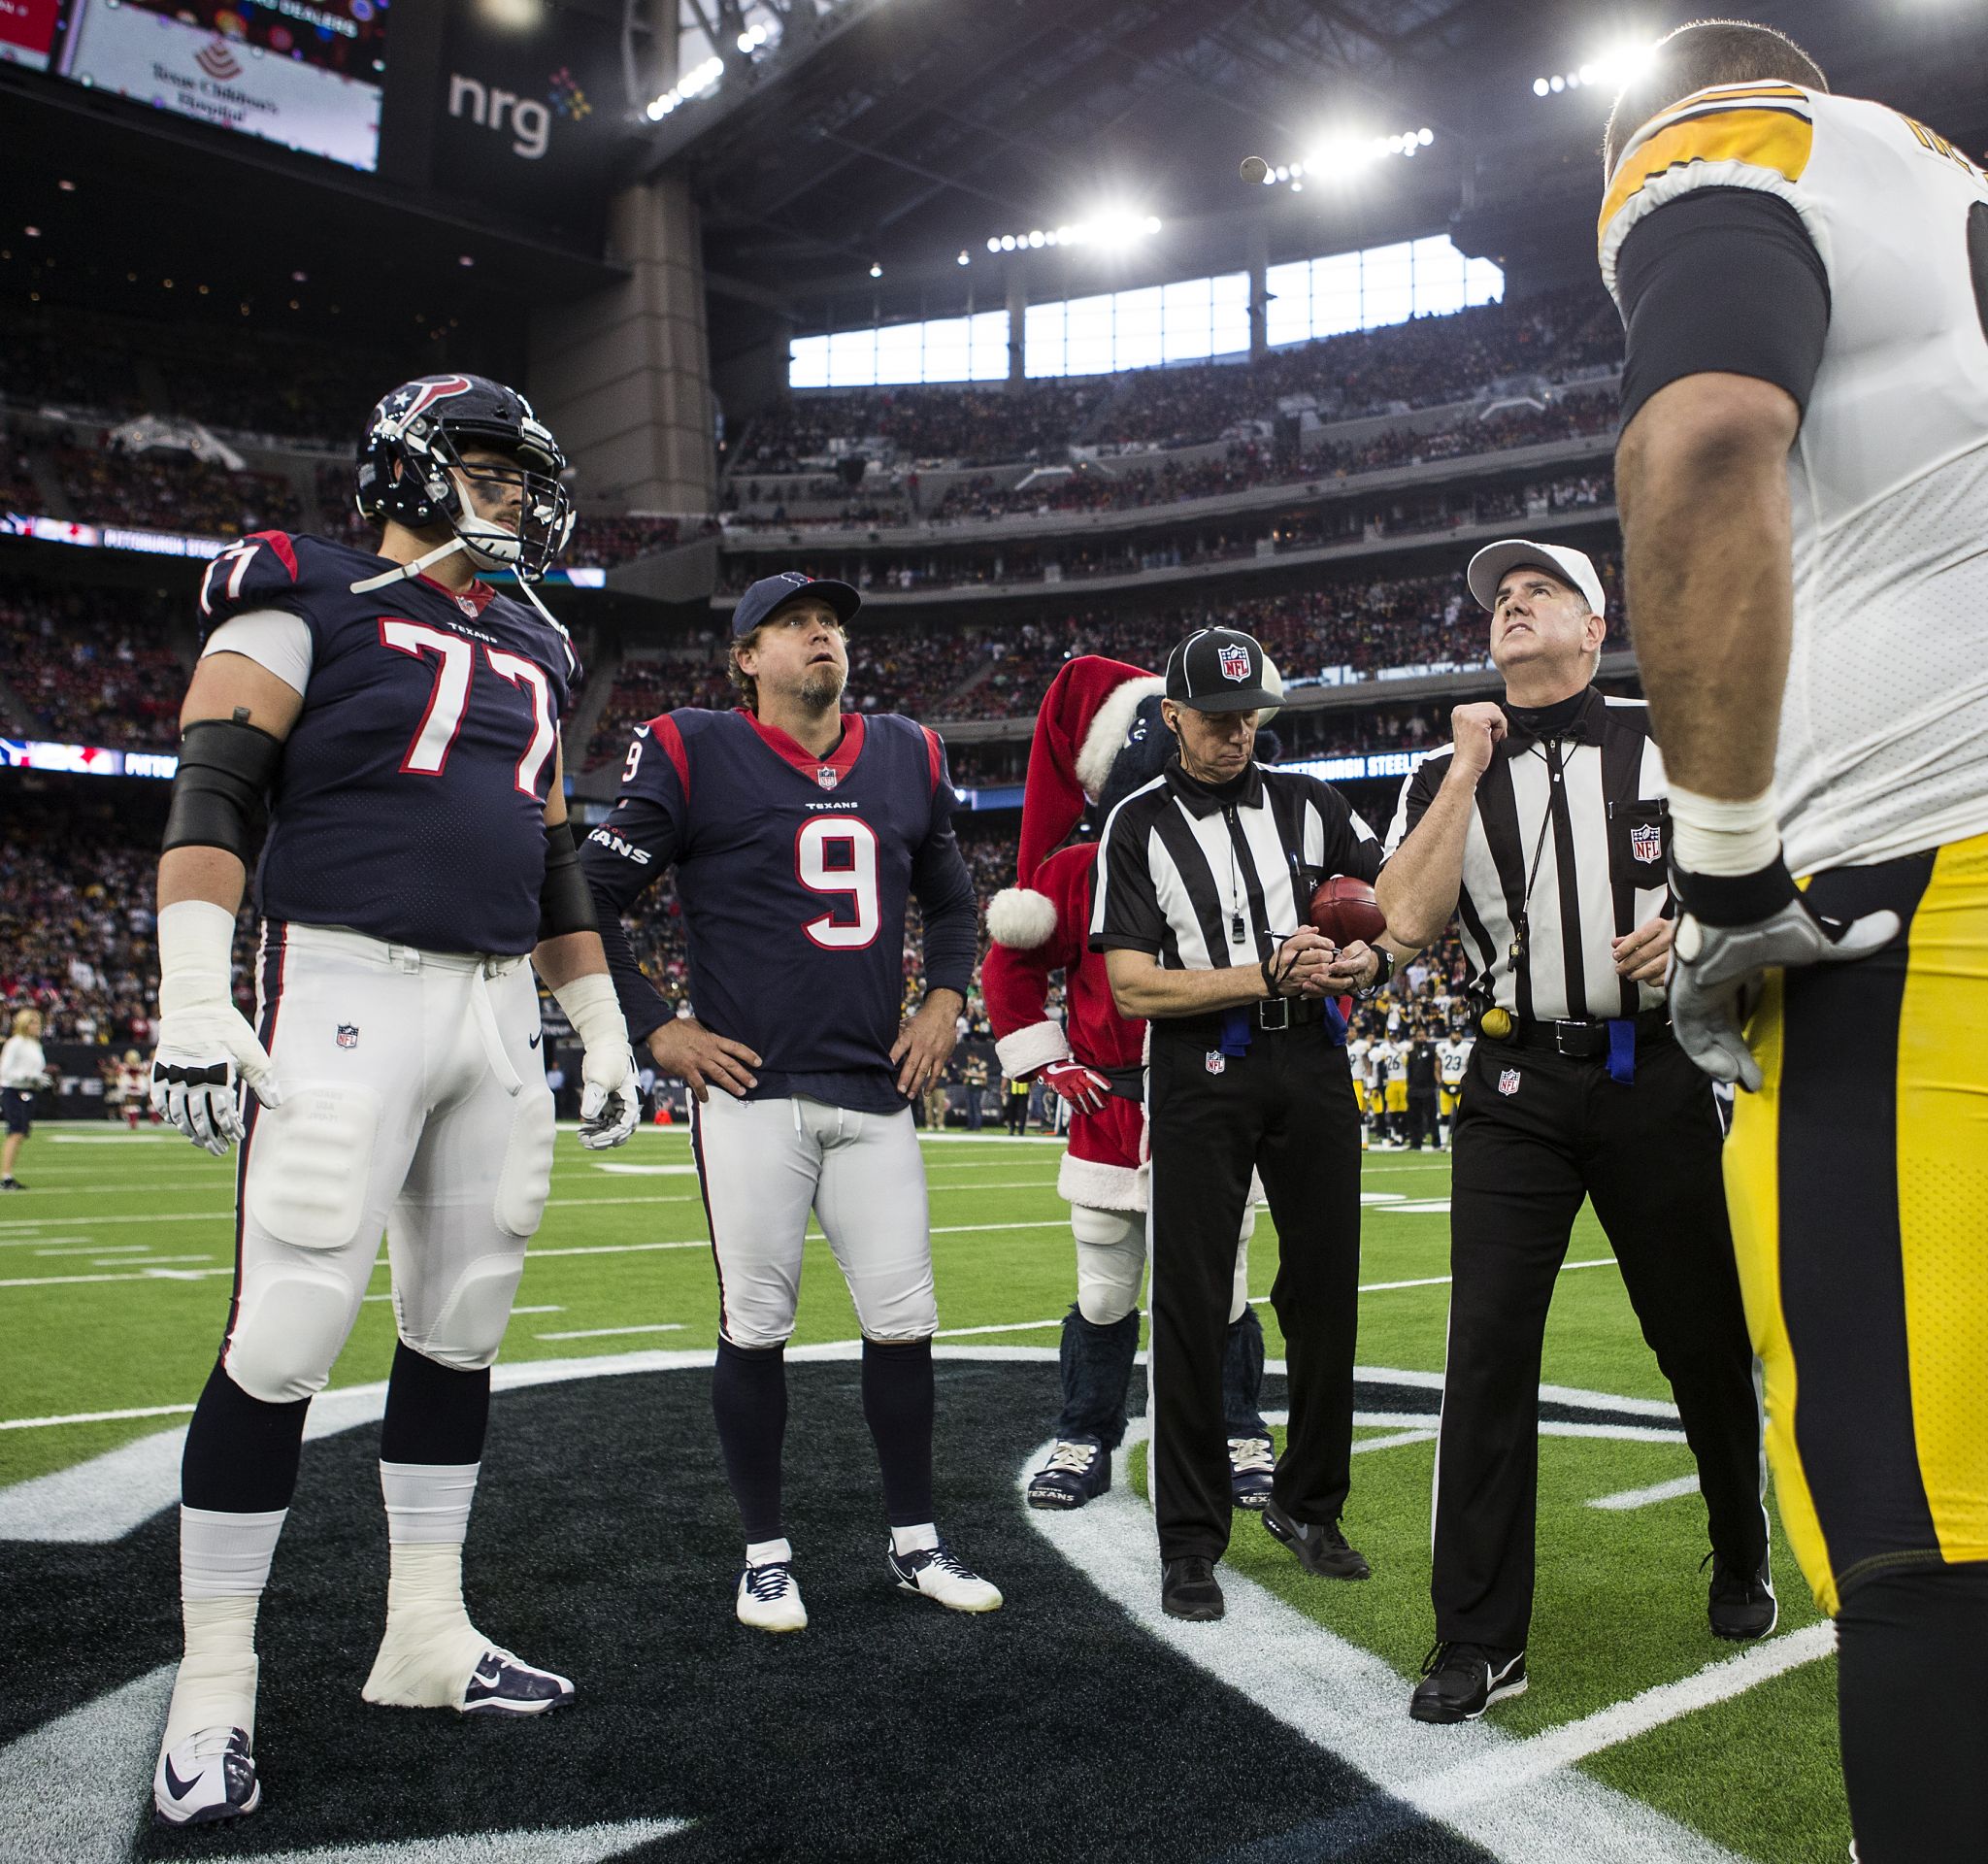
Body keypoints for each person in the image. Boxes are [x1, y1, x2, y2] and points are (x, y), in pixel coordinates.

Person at [144, 374, 641, 1828]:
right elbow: (217, 791)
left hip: (495, 1006)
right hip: (342, 986)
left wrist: (598, 1017)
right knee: (290, 1326)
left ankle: (424, 1634)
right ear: (406, 471)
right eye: (485, 466)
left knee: (464, 1319)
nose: (512, 492)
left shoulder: (538, 637)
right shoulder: (303, 588)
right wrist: (190, 984)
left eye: (519, 470)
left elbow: (550, 851)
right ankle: (215, 1683)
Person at [1602, 21, 1988, 1852]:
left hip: (1926, 892)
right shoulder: (1954, 208)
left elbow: (1699, 437)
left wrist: (1731, 871)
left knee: (1915, 1520)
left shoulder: (1736, 142)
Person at [1375, 537, 1771, 1725]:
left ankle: (1734, 1537)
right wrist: (1460, 771)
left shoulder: (1675, 735)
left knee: (1697, 1335)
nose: (1510, 605)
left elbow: (1762, 870)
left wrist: (1694, 923)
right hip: (1510, 1085)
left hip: (1654, 1071)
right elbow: (1400, 922)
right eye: (1499, 598)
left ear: (1594, 627)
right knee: (1485, 1349)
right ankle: (1478, 1636)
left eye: (1536, 591)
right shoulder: (1446, 766)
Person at [580, 570, 1002, 1636]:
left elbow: (955, 902)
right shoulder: (691, 745)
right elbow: (587, 894)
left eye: (831, 626)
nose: (823, 638)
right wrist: (651, 1024)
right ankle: (765, 1557)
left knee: (904, 1324)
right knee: (756, 1326)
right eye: (796, 626)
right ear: (746, 659)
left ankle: (915, 1542)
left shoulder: (906, 748)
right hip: (751, 1092)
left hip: (874, 1087)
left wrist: (946, 999)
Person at [1092, 625, 1400, 1621]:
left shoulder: (1312, 803)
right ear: (1170, 716)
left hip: (1306, 1055)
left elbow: (1383, 911)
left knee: (1324, 1290)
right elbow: (1131, 987)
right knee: (1187, 1300)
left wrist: (1370, 962)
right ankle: (1188, 1537)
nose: (1234, 735)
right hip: (1198, 1060)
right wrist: (1257, 972)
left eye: (1246, 717)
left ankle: (1309, 1505)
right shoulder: (1135, 823)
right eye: (1214, 719)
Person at [983, 656, 1275, 1515]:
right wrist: (1047, 1059)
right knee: (1106, 1291)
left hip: (1216, 1097)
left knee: (1221, 1285)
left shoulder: (1240, 847)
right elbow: (1009, 968)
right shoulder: (1078, 870)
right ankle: (1086, 1432)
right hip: (1114, 1107)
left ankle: (1236, 1429)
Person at [1, 1008, 48, 1189]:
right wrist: (27, 1076)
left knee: (20, 1134)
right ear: (24, 1024)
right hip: (13, 1090)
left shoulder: (35, 1044)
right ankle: (5, 1176)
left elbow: (36, 1070)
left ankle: (8, 1174)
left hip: (28, 1091)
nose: (38, 1026)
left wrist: (37, 1080)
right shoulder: (15, 1043)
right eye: (33, 1022)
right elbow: (4, 1070)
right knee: (15, 1133)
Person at [1404, 1033, 1441, 1151]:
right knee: (1414, 1118)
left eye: (1423, 1036)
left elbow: (1435, 1066)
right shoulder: (1411, 1053)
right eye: (1418, 1036)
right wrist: (1409, 1087)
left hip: (1428, 1088)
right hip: (1414, 1089)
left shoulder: (1431, 1051)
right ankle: (1415, 1143)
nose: (1421, 1038)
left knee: (1432, 1117)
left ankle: (1436, 1142)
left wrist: (1434, 1084)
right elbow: (1409, 1070)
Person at [960, 1050, 988, 1131]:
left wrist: (971, 1074)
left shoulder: (982, 1064)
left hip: (977, 1088)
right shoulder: (970, 1064)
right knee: (970, 1108)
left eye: (970, 1059)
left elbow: (983, 1076)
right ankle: (970, 1126)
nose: (969, 1061)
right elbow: (967, 1075)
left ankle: (977, 1126)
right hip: (969, 1087)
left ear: (974, 1058)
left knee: (976, 1107)